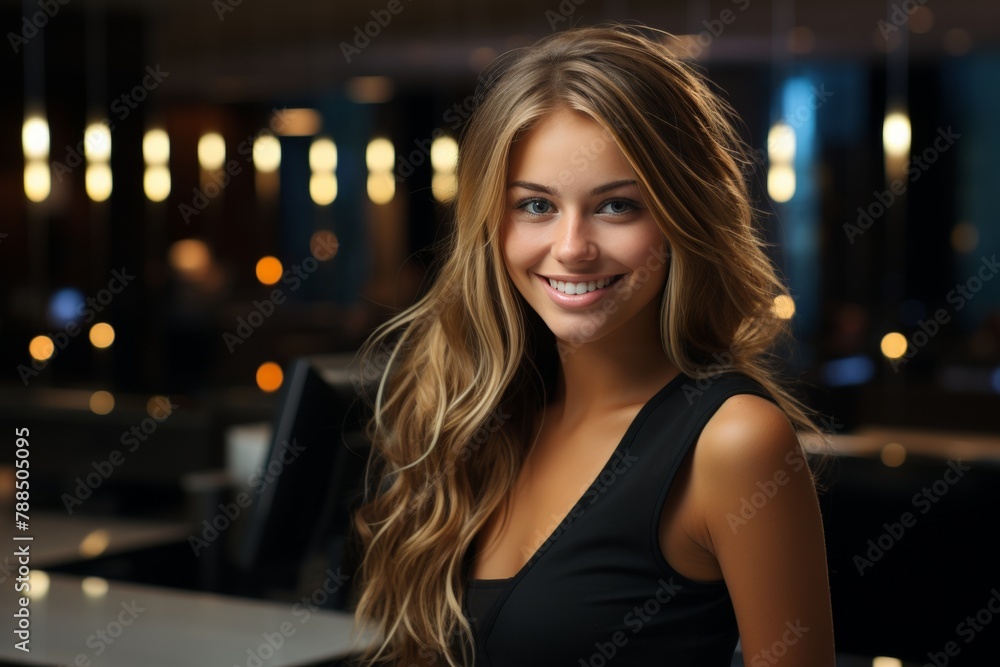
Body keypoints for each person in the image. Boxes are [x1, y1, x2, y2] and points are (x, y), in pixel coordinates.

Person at [349, 24, 835, 667]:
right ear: (492, 224)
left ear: (680, 216)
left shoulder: (735, 442)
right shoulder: (482, 416)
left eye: (616, 207)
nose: (572, 248)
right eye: (536, 207)